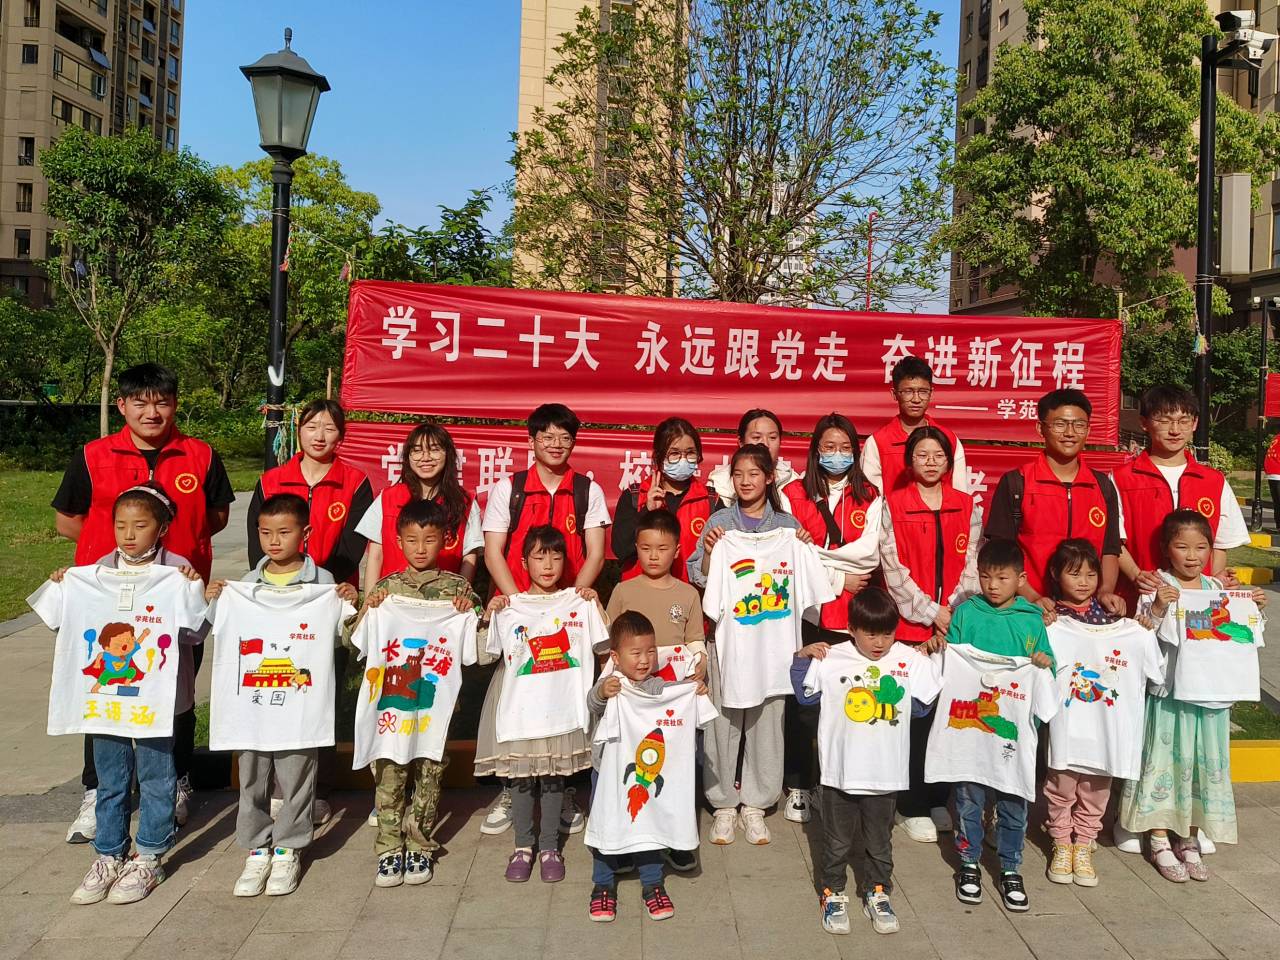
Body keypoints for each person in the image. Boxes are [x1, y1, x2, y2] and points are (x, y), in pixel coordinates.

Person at [51, 362, 234, 845]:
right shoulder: (93, 455)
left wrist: (177, 563)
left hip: (174, 598)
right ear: (122, 405)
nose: (152, 412)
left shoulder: (199, 455)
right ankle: (96, 790)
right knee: (105, 689)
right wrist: (102, 558)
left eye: (162, 402)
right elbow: (68, 520)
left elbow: (215, 516)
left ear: (175, 404)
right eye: (140, 402)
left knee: (175, 688)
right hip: (109, 603)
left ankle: (178, 781)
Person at [43, 485, 206, 906]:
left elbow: (195, 632)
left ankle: (149, 854)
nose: (129, 535)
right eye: (120, 526)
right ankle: (108, 854)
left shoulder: (178, 571)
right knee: (111, 778)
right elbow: (60, 621)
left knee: (156, 775)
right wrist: (64, 584)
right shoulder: (95, 571)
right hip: (107, 704)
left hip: (156, 701)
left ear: (162, 528)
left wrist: (194, 590)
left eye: (140, 525)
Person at [205, 493, 358, 898]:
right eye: (265, 533)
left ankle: (289, 846)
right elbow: (212, 624)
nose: (274, 541)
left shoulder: (322, 582)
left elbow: (344, 637)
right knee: (252, 777)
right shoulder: (245, 584)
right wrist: (214, 597)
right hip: (251, 708)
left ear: (305, 533)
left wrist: (347, 603)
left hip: (300, 707)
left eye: (284, 532)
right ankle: (256, 846)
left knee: (297, 775)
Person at [479, 404, 610, 836]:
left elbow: (594, 553)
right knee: (515, 702)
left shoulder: (587, 490)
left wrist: (573, 599)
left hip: (567, 620)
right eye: (547, 436)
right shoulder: (509, 489)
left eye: (565, 437)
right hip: (520, 619)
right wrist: (516, 603)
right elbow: (494, 551)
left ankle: (565, 789)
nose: (556, 444)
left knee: (564, 702)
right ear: (531, 440)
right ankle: (511, 787)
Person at [1118, 510, 1268, 883]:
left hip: (1212, 696)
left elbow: (1242, 635)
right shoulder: (1158, 586)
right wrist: (1157, 608)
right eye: (1182, 547)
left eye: (1201, 547)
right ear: (1166, 548)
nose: (1192, 556)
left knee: (1202, 764)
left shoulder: (1219, 589)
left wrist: (1254, 607)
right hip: (1171, 697)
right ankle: (1158, 836)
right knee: (1165, 761)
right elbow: (1141, 639)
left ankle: (1188, 836)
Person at [347, 499, 485, 887]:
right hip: (392, 706)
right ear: (398, 542)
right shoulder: (386, 588)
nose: (420, 548)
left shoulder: (458, 590)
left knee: (430, 771)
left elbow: (478, 645)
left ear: (446, 540)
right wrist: (367, 608)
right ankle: (388, 847)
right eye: (412, 540)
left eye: (429, 539)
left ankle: (420, 843)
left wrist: (471, 611)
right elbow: (352, 638)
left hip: (435, 706)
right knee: (389, 770)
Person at [250, 398, 374, 826]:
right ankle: (276, 786)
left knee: (322, 693)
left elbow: (354, 544)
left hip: (326, 602)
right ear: (298, 430)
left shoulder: (355, 481)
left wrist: (319, 585)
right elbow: (257, 541)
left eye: (330, 428)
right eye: (312, 426)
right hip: (277, 602)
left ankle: (315, 788)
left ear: (342, 435)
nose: (320, 436)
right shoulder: (272, 480)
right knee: (276, 684)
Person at [792, 588, 941, 937]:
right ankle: (832, 892)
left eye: (887, 634)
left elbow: (922, 706)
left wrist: (928, 659)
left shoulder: (908, 659)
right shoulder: (832, 657)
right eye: (870, 634)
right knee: (837, 842)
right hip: (840, 774)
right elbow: (804, 696)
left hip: (886, 774)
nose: (879, 643)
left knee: (880, 841)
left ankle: (877, 891)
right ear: (851, 629)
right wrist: (801, 658)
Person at [688, 444, 817, 846]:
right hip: (728, 643)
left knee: (768, 725)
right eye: (739, 474)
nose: (745, 481)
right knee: (722, 724)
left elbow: (810, 583)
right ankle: (723, 804)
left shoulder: (789, 528)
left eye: (754, 474)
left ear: (769, 477)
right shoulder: (720, 524)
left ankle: (757, 804)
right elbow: (699, 577)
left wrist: (805, 546)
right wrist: (711, 552)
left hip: (774, 648)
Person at [478, 526, 606, 883]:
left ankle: (549, 846)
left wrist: (595, 603)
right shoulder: (511, 606)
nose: (548, 565)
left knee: (553, 778)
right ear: (523, 563)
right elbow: (484, 654)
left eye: (555, 556)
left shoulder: (578, 602)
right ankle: (522, 845)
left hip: (561, 708)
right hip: (521, 709)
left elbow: (605, 644)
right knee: (520, 779)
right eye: (539, 557)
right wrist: (490, 614)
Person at [938, 539, 1055, 912]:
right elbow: (951, 661)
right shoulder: (966, 614)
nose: (992, 585)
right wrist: (938, 647)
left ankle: (1010, 867)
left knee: (1012, 800)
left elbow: (1049, 669)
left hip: (1011, 732)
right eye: (986, 577)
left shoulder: (1030, 619)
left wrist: (1043, 662)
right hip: (970, 729)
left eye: (1002, 578)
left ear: (1020, 579)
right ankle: (968, 862)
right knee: (968, 797)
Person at [877, 426, 981, 843]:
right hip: (910, 628)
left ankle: (939, 797)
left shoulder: (966, 504)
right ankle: (911, 804)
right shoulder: (894, 504)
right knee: (914, 716)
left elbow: (972, 561)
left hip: (955, 627)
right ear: (909, 461)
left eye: (938, 455)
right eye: (922, 455)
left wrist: (952, 610)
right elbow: (892, 567)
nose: (931, 462)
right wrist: (929, 611)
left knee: (948, 714)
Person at [780, 413, 883, 825]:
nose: (837, 455)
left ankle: (836, 783)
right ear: (815, 450)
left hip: (850, 619)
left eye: (845, 448)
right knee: (803, 704)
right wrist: (840, 575)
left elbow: (868, 556)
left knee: (847, 702)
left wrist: (818, 556)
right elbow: (792, 554)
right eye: (829, 447)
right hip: (807, 613)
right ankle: (799, 784)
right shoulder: (792, 493)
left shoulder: (870, 495)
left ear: (855, 452)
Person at [585, 611, 709, 922]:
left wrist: (692, 691)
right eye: (636, 653)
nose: (644, 660)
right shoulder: (611, 683)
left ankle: (653, 883)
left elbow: (672, 695)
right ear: (616, 656)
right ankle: (603, 884)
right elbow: (592, 704)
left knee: (649, 824)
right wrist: (602, 692)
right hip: (607, 772)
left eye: (650, 652)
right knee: (607, 824)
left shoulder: (656, 686)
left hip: (646, 775)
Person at [605, 508, 707, 873]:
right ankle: (622, 840)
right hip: (631, 699)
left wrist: (700, 666)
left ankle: (677, 839)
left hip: (672, 697)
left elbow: (695, 641)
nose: (653, 556)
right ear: (636, 547)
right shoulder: (623, 590)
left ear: (677, 550)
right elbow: (608, 642)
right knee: (627, 765)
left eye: (662, 549)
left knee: (676, 768)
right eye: (646, 548)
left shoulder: (688, 593)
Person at [983, 388, 1124, 613]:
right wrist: (1032, 598)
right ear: (1040, 428)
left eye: (1079, 425)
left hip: (1086, 612)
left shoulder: (1102, 487)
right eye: (1060, 424)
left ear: (1088, 430)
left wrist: (1105, 591)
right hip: (1027, 609)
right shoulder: (1016, 483)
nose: (1070, 433)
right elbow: (1002, 553)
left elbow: (1110, 549)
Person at [1112, 385, 1249, 609]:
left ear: (1194, 423)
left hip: (1197, 607)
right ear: (1144, 422)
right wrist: (1136, 575)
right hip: (1140, 602)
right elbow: (1112, 540)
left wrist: (1215, 583)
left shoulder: (1213, 481)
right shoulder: (1121, 479)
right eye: (1164, 421)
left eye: (1184, 421)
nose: (1175, 430)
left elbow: (1221, 543)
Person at [356, 421, 482, 586]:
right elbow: (375, 555)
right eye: (417, 451)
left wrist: (461, 593)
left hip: (443, 597)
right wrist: (370, 598)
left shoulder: (465, 502)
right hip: (393, 596)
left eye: (434, 450)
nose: (425, 458)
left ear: (448, 454)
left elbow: (469, 557)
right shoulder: (387, 498)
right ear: (408, 456)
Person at [611, 416, 713, 584]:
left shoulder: (710, 500)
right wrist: (646, 511)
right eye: (674, 453)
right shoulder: (635, 496)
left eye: (690, 453)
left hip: (690, 595)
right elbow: (620, 549)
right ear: (659, 456)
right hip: (641, 594)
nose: (683, 459)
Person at [861, 355, 968, 495]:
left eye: (923, 392)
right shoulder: (877, 442)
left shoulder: (949, 439)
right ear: (894, 394)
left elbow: (960, 494)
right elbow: (871, 499)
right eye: (908, 391)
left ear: (931, 393)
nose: (916, 399)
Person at [706, 408, 802, 509]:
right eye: (756, 437)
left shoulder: (794, 482)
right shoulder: (718, 484)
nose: (765, 444)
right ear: (741, 442)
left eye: (772, 437)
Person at [1265, 432, 1280, 531]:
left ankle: (1279, 525)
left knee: (1277, 502)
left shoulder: (1277, 437)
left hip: (1272, 472)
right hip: (1278, 472)